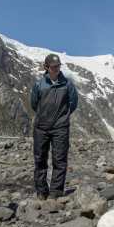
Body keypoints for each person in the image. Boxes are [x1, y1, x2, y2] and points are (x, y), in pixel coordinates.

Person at [30, 54, 78, 199]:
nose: (56, 69)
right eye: (53, 67)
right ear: (46, 67)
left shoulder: (67, 84)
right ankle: (41, 191)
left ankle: (56, 192)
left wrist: (63, 117)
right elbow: (34, 103)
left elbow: (73, 103)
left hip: (60, 128)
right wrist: (43, 116)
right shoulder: (39, 85)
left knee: (60, 159)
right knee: (40, 159)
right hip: (41, 127)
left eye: (58, 66)